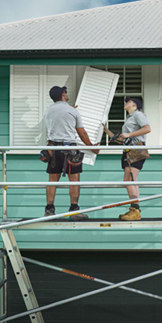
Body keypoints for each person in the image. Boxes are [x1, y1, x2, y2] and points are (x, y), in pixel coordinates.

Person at [43, 85, 98, 220]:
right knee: (74, 180)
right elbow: (82, 132)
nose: (67, 94)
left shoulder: (48, 111)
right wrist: (91, 146)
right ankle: (74, 210)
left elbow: (57, 122)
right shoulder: (72, 111)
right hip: (70, 149)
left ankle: (49, 209)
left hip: (53, 148)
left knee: (52, 180)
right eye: (66, 92)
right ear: (63, 94)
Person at [111, 97, 152, 221]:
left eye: (127, 101)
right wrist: (106, 131)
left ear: (134, 104)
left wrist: (128, 134)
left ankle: (135, 209)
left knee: (128, 179)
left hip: (136, 149)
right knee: (131, 179)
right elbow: (123, 138)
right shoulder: (130, 118)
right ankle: (134, 209)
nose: (125, 103)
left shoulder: (138, 114)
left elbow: (147, 128)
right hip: (128, 149)